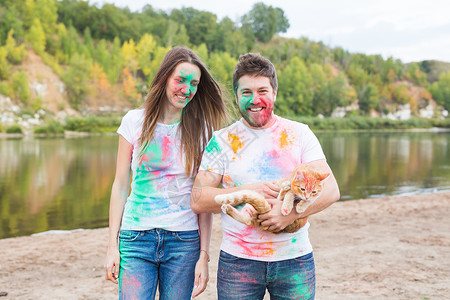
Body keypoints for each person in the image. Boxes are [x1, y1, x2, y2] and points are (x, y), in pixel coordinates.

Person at [190, 53, 340, 299]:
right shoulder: (221, 141)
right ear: (237, 96)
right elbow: (198, 199)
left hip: (294, 260)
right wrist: (249, 191)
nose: (254, 99)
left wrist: (290, 213)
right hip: (238, 262)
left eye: (262, 91)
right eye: (246, 92)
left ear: (275, 93)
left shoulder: (299, 134)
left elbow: (332, 190)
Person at [105, 46, 229, 299]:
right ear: (164, 79)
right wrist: (111, 246)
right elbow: (120, 186)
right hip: (136, 237)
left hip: (183, 241)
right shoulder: (133, 121)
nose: (187, 89)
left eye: (193, 83)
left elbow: (203, 197)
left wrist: (204, 255)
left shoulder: (204, 131)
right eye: (180, 80)